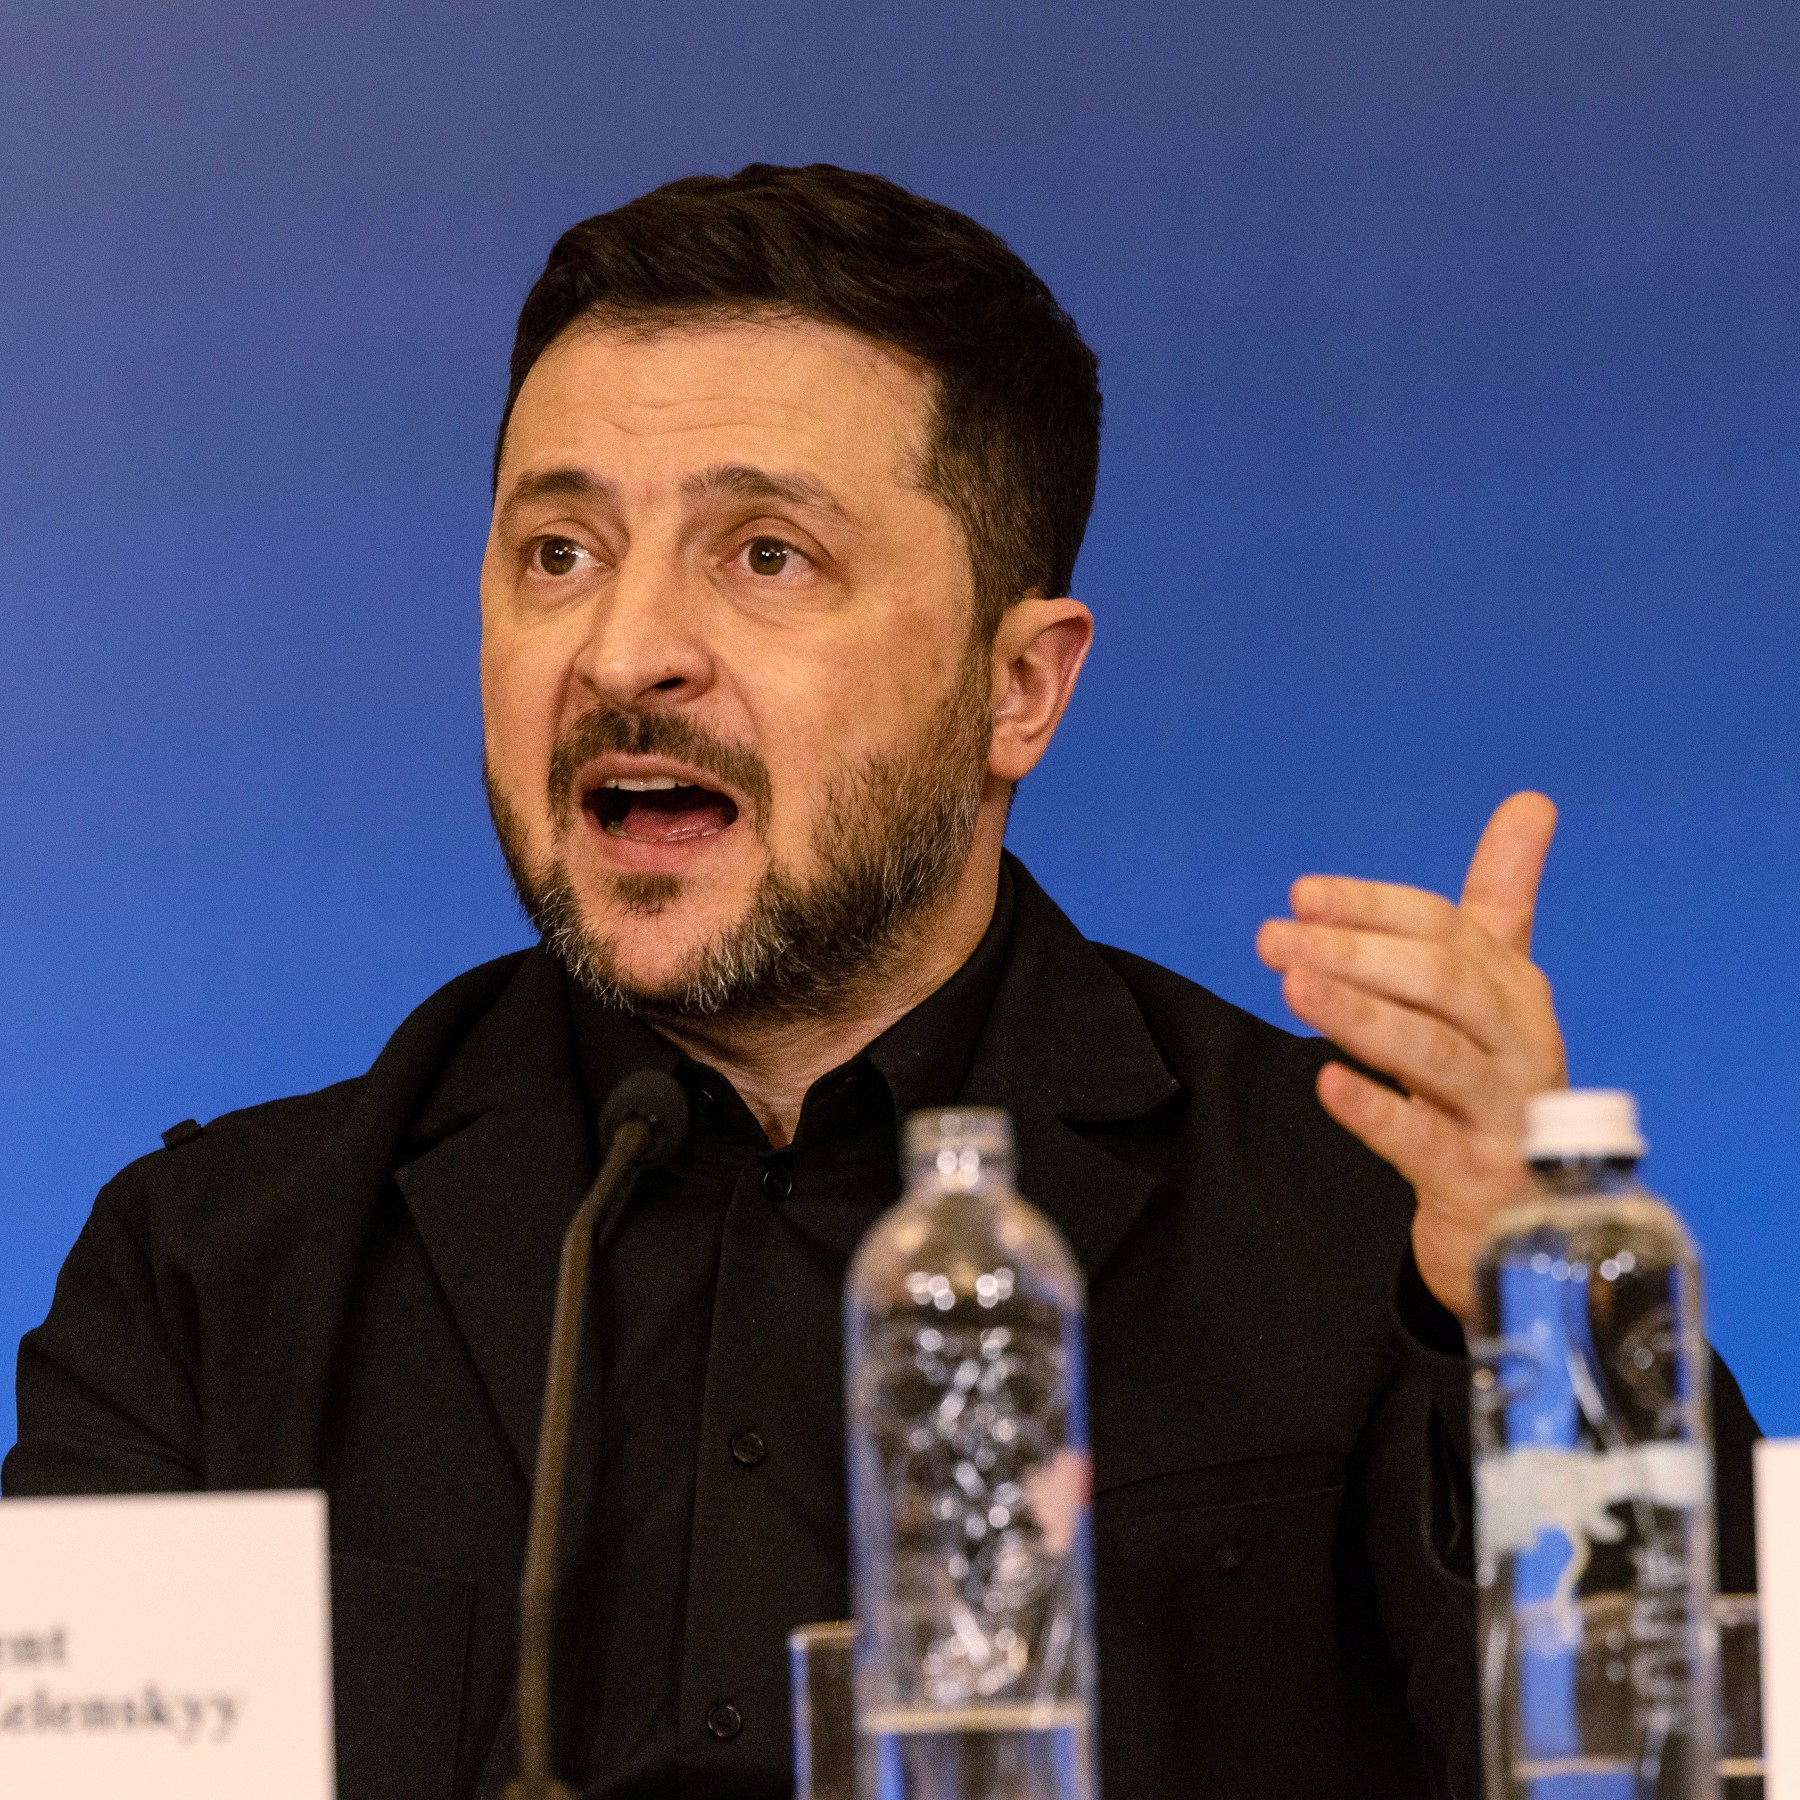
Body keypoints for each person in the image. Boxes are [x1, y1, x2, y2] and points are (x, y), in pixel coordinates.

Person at [3, 164, 1756, 1800]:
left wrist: (1547, 1328)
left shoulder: (1354, 1214)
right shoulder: (214, 1276)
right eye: (560, 553)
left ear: (1020, 689)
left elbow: (1683, 1757)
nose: (624, 651)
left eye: (766, 554)